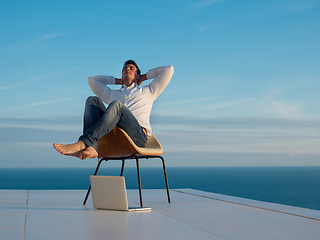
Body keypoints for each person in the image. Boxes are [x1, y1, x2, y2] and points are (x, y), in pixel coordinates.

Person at [53, 60, 174, 160]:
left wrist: (144, 77)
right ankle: (92, 147)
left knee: (117, 105)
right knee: (92, 100)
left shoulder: (149, 91)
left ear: (137, 75)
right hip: (115, 136)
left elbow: (169, 70)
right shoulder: (112, 94)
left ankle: (84, 143)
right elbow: (92, 80)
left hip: (137, 137)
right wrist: (117, 81)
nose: (127, 69)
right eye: (124, 68)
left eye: (131, 68)